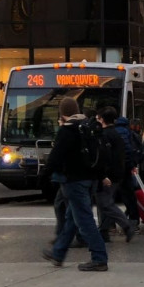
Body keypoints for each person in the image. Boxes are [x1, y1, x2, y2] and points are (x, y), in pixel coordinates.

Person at [41, 98, 108, 272]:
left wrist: (44, 175)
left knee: (84, 220)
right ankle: (58, 253)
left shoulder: (67, 130)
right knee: (72, 219)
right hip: (90, 179)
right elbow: (100, 153)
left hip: (73, 180)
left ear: (62, 113)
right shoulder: (88, 126)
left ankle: (99, 257)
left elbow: (56, 156)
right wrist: (101, 176)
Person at [95, 108, 135, 243]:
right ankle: (103, 231)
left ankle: (126, 225)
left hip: (109, 174)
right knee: (105, 202)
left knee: (105, 203)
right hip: (119, 172)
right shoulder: (117, 134)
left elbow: (104, 156)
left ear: (102, 119)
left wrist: (103, 175)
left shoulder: (104, 135)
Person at [112, 115, 142, 228]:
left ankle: (126, 222)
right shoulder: (127, 131)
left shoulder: (118, 131)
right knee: (129, 195)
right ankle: (133, 220)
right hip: (127, 167)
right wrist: (132, 165)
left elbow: (126, 150)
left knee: (111, 197)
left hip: (119, 168)